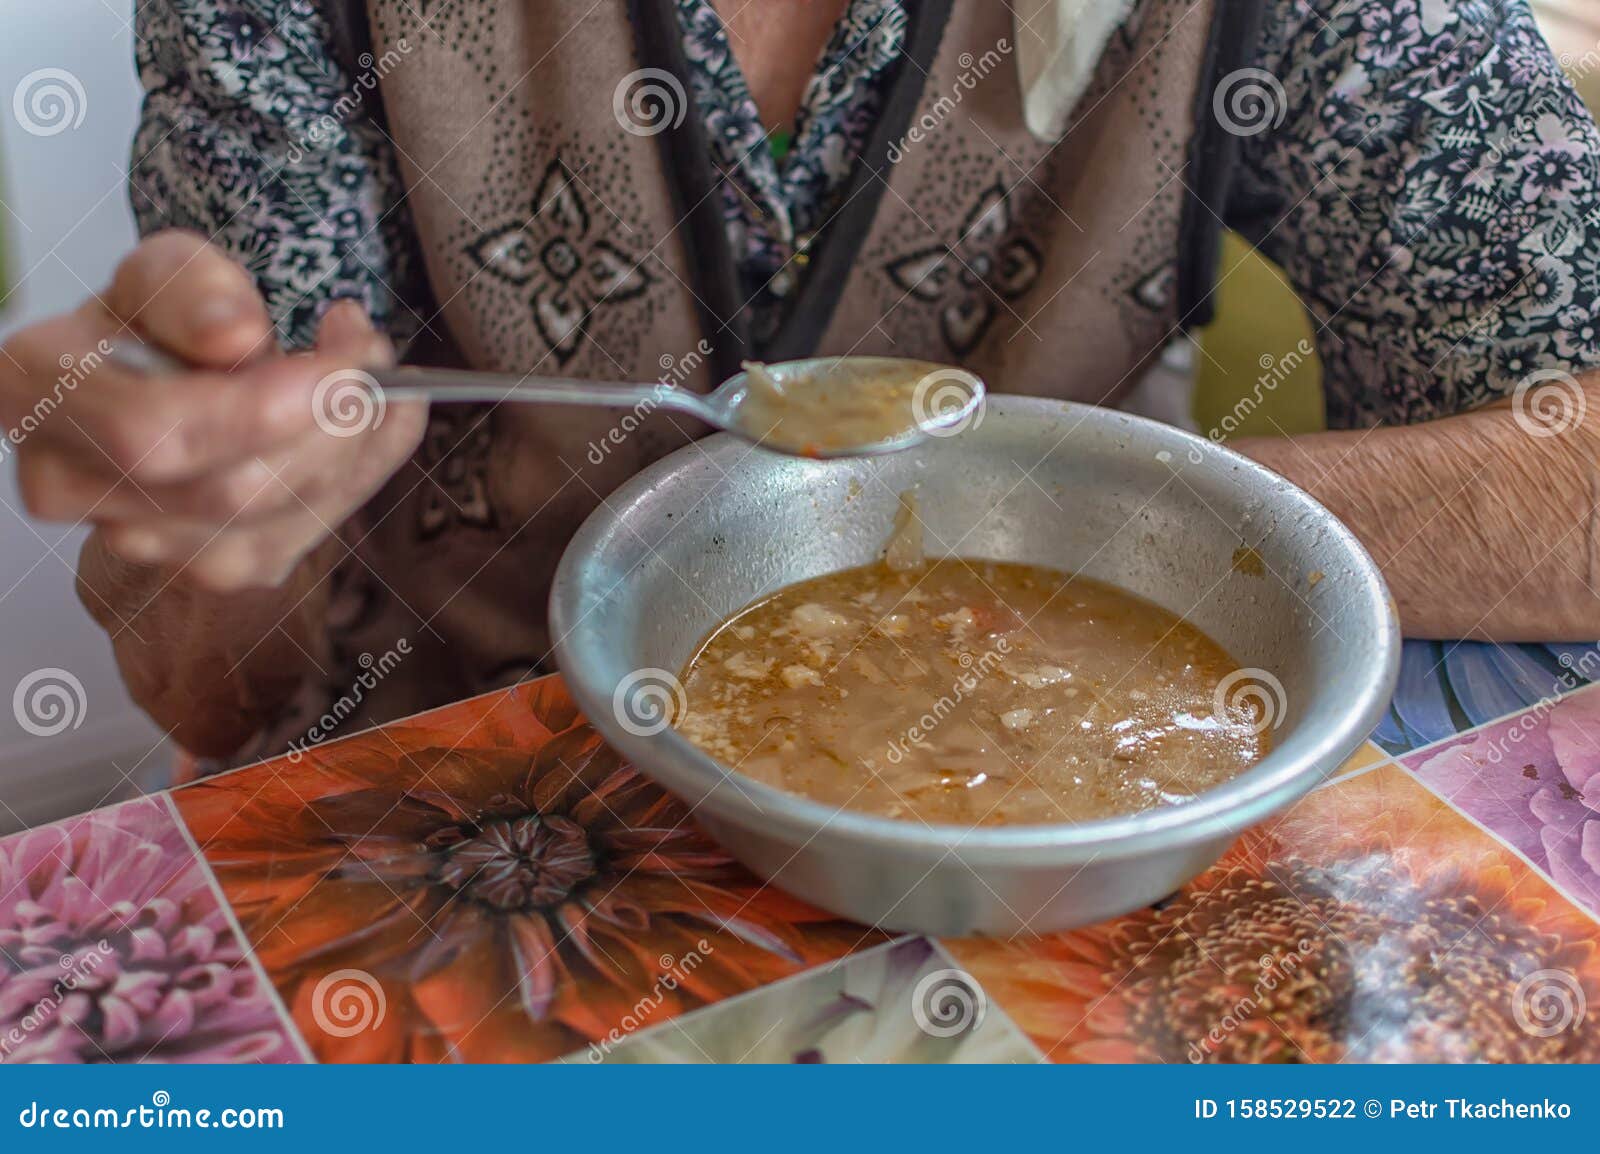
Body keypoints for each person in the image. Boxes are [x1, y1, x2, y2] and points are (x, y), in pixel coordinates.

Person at [4, 0, 1600, 765]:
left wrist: (1068, 523)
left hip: (1071, 804)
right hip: (477, 825)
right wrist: (198, 529)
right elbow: (217, 695)